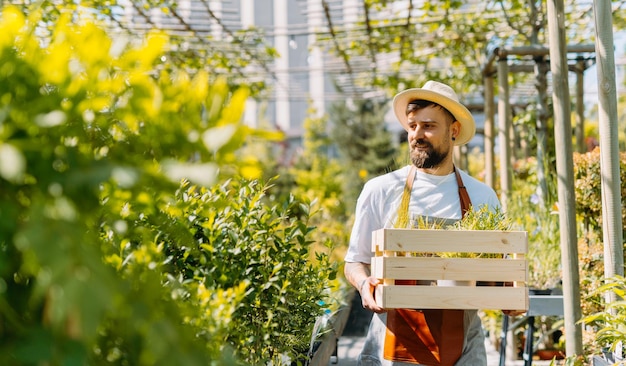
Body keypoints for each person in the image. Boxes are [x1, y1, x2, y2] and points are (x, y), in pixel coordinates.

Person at [344, 80, 515, 366]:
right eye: (412, 126)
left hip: (463, 350)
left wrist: (508, 295)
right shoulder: (381, 190)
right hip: (394, 345)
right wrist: (364, 285)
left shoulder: (482, 196)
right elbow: (354, 262)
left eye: (428, 126)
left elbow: (494, 273)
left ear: (454, 130)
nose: (417, 135)